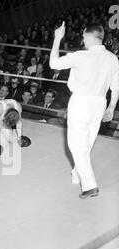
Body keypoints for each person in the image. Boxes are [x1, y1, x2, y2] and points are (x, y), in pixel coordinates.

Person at [50, 22, 119, 199]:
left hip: (81, 101)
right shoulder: (113, 58)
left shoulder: (80, 55)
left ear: (90, 36)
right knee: (86, 142)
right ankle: (77, 174)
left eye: (83, 36)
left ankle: (89, 185)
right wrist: (111, 107)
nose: (82, 39)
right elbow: (116, 87)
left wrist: (57, 38)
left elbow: (53, 64)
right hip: (100, 102)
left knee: (75, 144)